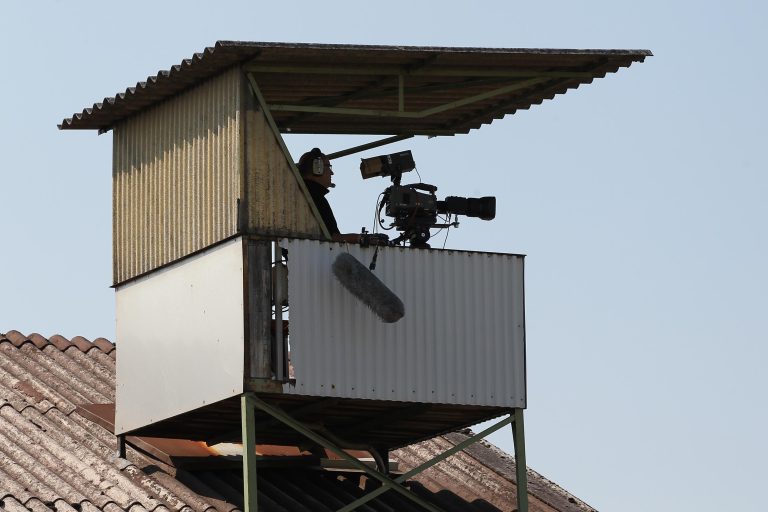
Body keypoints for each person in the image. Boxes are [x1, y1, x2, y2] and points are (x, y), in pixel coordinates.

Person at [297, 148, 363, 244]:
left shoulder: (299, 194)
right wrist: (362, 238)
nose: (332, 173)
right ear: (318, 168)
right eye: (328, 167)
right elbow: (333, 238)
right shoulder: (316, 198)